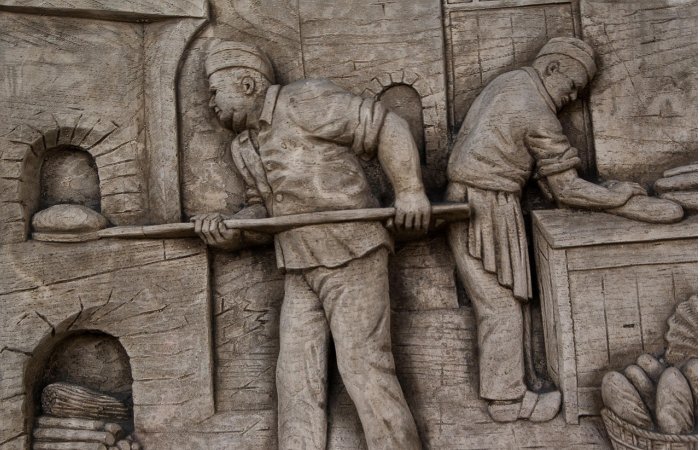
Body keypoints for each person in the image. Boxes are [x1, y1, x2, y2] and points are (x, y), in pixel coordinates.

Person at [193, 40, 427, 450]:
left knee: (364, 367)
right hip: (299, 266)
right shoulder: (242, 148)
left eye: (215, 91)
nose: (210, 103)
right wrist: (232, 230)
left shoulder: (305, 101)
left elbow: (387, 126)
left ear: (247, 84)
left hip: (352, 252)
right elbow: (265, 212)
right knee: (295, 376)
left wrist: (409, 191)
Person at [446, 37, 683, 423]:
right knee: (501, 304)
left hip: (475, 196)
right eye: (571, 85)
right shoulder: (536, 109)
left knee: (504, 301)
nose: (572, 97)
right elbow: (565, 188)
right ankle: (506, 401)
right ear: (552, 68)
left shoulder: (511, 81)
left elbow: (533, 165)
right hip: (485, 203)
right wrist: (619, 197)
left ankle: (519, 386)